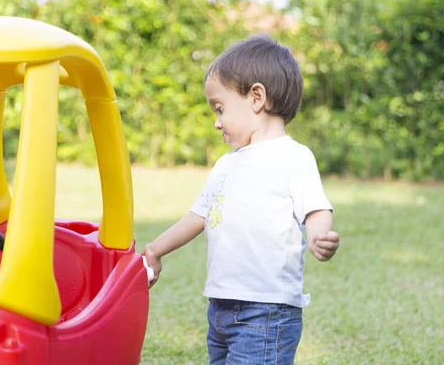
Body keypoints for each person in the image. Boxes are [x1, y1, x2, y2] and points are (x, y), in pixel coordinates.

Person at [142, 34, 340, 364]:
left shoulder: (293, 157)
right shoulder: (226, 164)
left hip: (266, 312)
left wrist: (320, 235)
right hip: (220, 307)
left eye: (219, 109)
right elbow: (198, 216)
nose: (217, 123)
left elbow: (316, 208)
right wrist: (155, 249)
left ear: (256, 97)